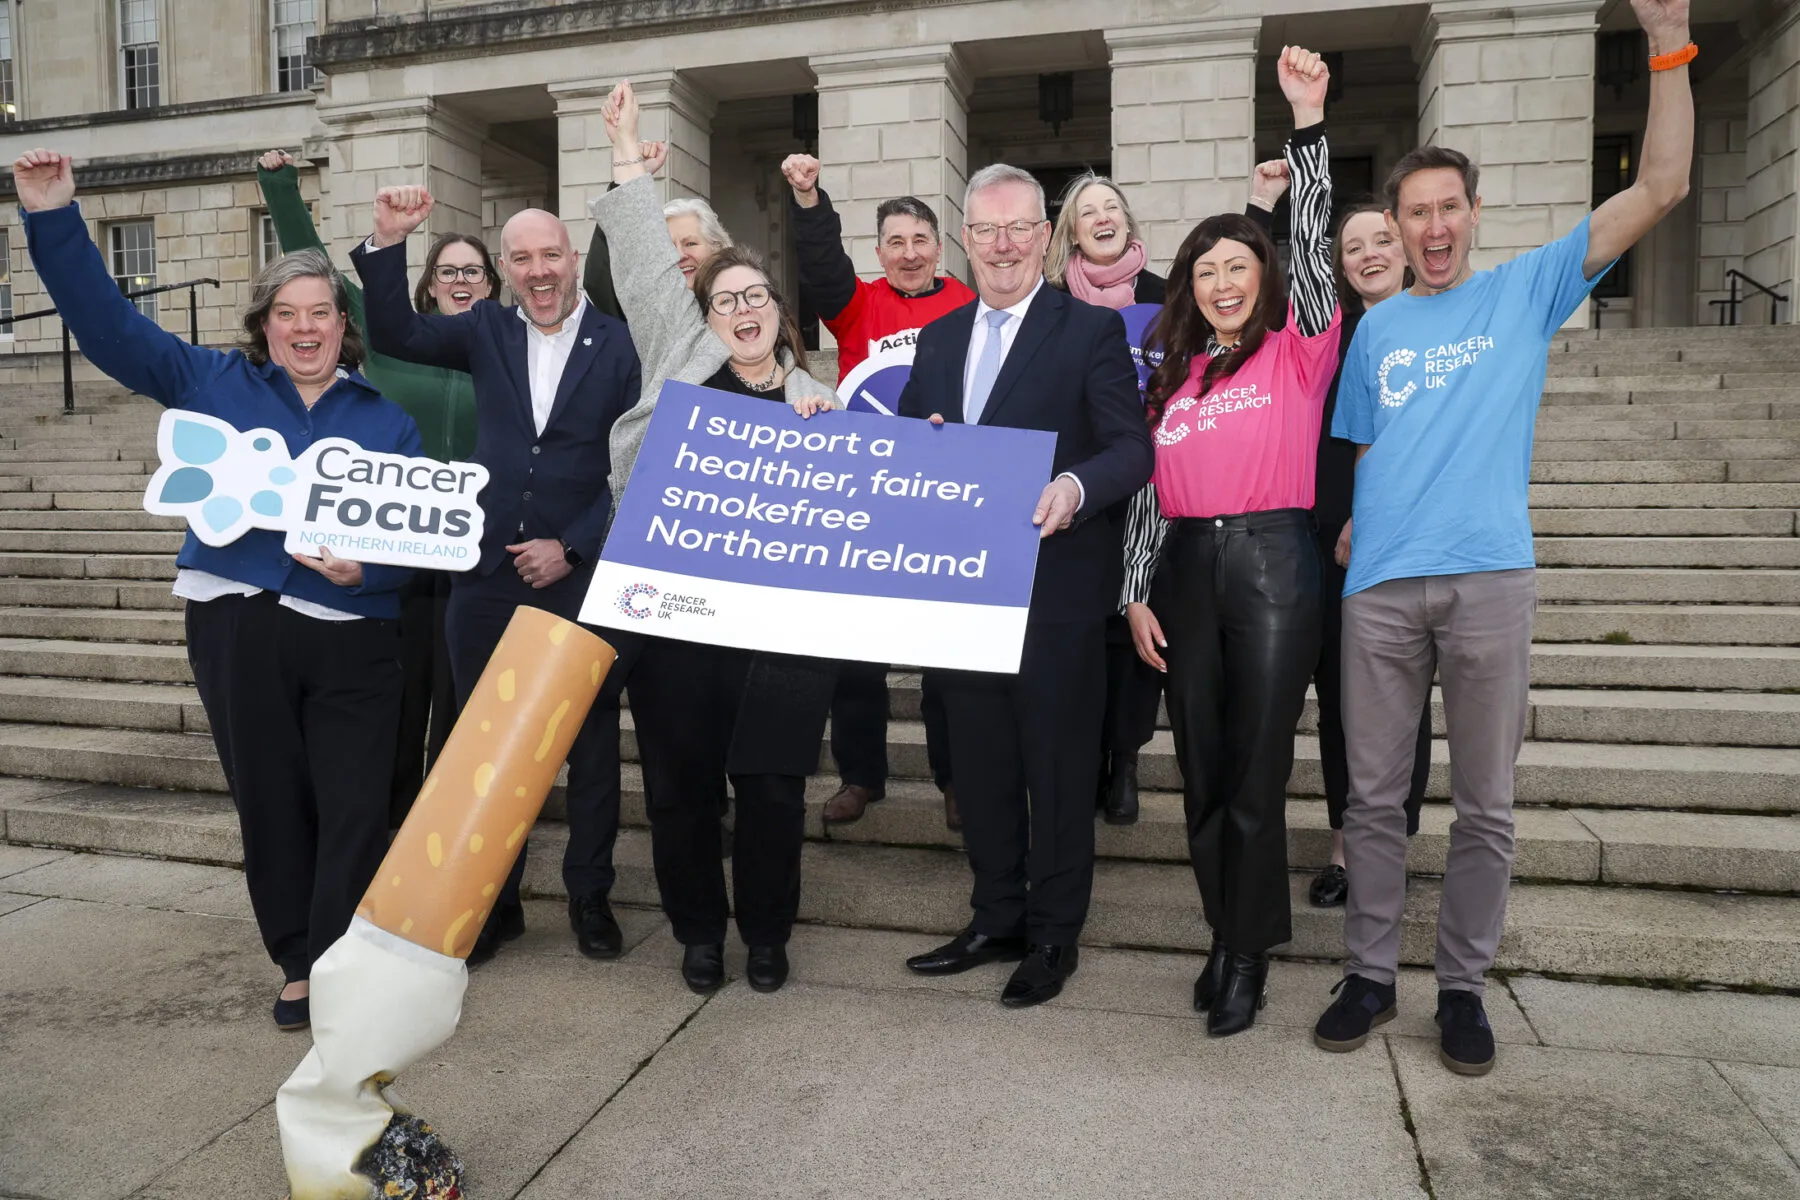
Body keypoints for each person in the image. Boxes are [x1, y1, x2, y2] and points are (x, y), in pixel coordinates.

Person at [1312, 0, 1694, 1077]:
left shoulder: (1525, 292)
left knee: (1485, 805)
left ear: (1474, 214)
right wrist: (1349, 530)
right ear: (1393, 225)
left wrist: (1668, 44)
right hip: (1381, 595)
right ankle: (1372, 974)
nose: (1431, 228)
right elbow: (1356, 452)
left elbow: (1659, 187)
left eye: (1447, 209)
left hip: (1489, 583)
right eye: (1413, 213)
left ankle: (1465, 989)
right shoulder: (1376, 327)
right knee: (1373, 798)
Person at [14, 148, 419, 1032]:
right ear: (264, 324)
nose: (304, 329)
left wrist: (370, 569)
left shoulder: (388, 419)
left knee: (356, 803)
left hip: (355, 631)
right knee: (271, 796)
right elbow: (111, 327)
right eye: (287, 314)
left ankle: (343, 950)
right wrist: (53, 217)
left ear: (342, 326)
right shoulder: (211, 382)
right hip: (239, 624)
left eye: (320, 313)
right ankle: (301, 964)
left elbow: (416, 540)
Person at [349, 186, 643, 969]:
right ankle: (494, 903)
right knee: (481, 744)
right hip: (483, 576)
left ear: (573, 259)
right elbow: (394, 332)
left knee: (588, 748)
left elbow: (632, 468)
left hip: (578, 577)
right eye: (521, 258)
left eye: (551, 255)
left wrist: (574, 546)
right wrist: (386, 241)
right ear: (504, 270)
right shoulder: (483, 329)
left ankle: (589, 897)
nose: (538, 271)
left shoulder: (621, 344)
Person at [594, 79, 840, 996]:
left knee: (774, 790)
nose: (740, 309)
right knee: (678, 790)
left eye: (755, 296)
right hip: (674, 625)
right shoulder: (679, 362)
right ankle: (700, 932)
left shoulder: (819, 406)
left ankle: (767, 937)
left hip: (776, 640)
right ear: (703, 319)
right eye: (723, 298)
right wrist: (625, 146)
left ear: (780, 311)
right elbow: (648, 265)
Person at [898, 162, 1154, 1009]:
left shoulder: (1088, 333)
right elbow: (908, 453)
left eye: (1020, 229)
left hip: (1056, 593)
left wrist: (1076, 489)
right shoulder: (935, 342)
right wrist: (921, 444)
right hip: (964, 599)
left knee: (1057, 764)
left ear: (1045, 239)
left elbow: (1131, 451)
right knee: (980, 766)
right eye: (987, 229)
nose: (1003, 245)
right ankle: (994, 915)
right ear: (965, 239)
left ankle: (1052, 935)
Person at [1122, 45, 1339, 1037]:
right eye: (1203, 271)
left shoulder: (1299, 352)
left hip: (1274, 567)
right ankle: (1223, 932)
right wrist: (1135, 595)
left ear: (1264, 276)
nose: (1220, 282)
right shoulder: (1172, 380)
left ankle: (1248, 952)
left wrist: (1308, 127)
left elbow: (1315, 256)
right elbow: (1147, 500)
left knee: (1255, 770)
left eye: (1237, 266)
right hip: (1182, 575)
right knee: (1202, 769)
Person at [257, 149, 493, 830]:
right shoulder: (387, 330)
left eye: (472, 271)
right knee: (394, 705)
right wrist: (280, 186)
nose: (460, 281)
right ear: (427, 284)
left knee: (460, 712)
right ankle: (383, 842)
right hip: (388, 549)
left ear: (489, 284)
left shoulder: (507, 344)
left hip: (473, 555)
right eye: (447, 270)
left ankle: (448, 845)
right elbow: (314, 268)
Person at [1242, 177, 1437, 908]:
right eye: (1352, 247)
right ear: (1340, 266)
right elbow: (1247, 289)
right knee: (1339, 702)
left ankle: (1391, 845)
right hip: (1320, 543)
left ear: (1408, 246)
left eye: (1381, 239)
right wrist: (1262, 207)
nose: (1369, 255)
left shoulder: (1441, 333)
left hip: (1405, 545)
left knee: (1398, 703)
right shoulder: (1325, 333)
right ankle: (1345, 847)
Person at [781, 152, 977, 831]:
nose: (909, 252)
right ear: (881, 253)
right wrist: (809, 200)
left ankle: (956, 779)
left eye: (920, 239)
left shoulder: (971, 305)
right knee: (854, 658)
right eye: (895, 241)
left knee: (948, 659)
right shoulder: (858, 303)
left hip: (948, 502)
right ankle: (862, 776)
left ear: (939, 248)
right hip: (866, 501)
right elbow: (821, 266)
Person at [1045, 173, 1166, 826]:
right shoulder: (1054, 301)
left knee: (1136, 625)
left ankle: (1126, 761)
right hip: (1079, 484)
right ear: (1071, 230)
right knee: (1085, 624)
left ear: (1127, 221)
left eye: (1111, 207)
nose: (1101, 216)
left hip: (1154, 484)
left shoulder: (1166, 294)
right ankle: (1088, 753)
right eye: (1087, 210)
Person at [581, 143, 730, 319]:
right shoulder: (647, 313)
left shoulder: (742, 300)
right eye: (669, 246)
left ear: (717, 247)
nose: (679, 255)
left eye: (690, 243)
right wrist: (630, 179)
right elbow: (600, 281)